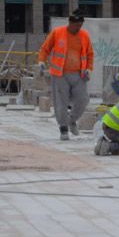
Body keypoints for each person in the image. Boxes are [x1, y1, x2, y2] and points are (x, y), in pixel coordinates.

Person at [38, 10, 94, 140]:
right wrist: (41, 61)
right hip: (60, 74)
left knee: (83, 99)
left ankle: (72, 120)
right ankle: (63, 128)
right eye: (76, 25)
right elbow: (45, 49)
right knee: (61, 102)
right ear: (70, 23)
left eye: (80, 25)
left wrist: (89, 69)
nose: (78, 28)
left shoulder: (84, 35)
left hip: (79, 74)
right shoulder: (58, 33)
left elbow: (90, 54)